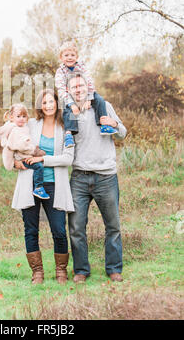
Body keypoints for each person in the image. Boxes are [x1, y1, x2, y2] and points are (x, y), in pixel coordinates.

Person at [67, 72, 127, 283]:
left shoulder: (104, 105)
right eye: (73, 87)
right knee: (75, 227)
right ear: (69, 91)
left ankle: (113, 268)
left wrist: (115, 123)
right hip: (79, 177)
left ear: (87, 87)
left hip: (106, 177)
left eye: (80, 86)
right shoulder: (69, 112)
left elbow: (122, 133)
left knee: (113, 226)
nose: (78, 89)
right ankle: (81, 270)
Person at [12, 89, 75, 285]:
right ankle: (37, 272)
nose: (48, 105)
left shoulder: (65, 127)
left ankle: (61, 271)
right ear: (40, 105)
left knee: (59, 230)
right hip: (29, 183)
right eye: (45, 102)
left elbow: (68, 158)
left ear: (57, 104)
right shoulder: (31, 125)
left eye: (52, 101)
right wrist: (14, 162)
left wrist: (42, 159)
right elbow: (13, 142)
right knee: (31, 229)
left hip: (54, 184)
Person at [55, 40, 117, 148]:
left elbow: (89, 82)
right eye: (66, 55)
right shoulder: (60, 71)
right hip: (69, 95)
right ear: (61, 58)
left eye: (72, 55)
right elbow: (61, 89)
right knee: (67, 109)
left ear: (77, 56)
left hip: (86, 92)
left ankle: (103, 123)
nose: (70, 57)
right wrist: (72, 104)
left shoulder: (82, 67)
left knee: (100, 100)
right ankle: (69, 134)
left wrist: (89, 98)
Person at [0, 103, 50, 199]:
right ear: (11, 117)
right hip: (22, 158)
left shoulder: (21, 128)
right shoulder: (16, 130)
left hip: (24, 156)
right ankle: (39, 187)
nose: (21, 118)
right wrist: (34, 151)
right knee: (38, 167)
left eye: (24, 116)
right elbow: (21, 146)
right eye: (18, 116)